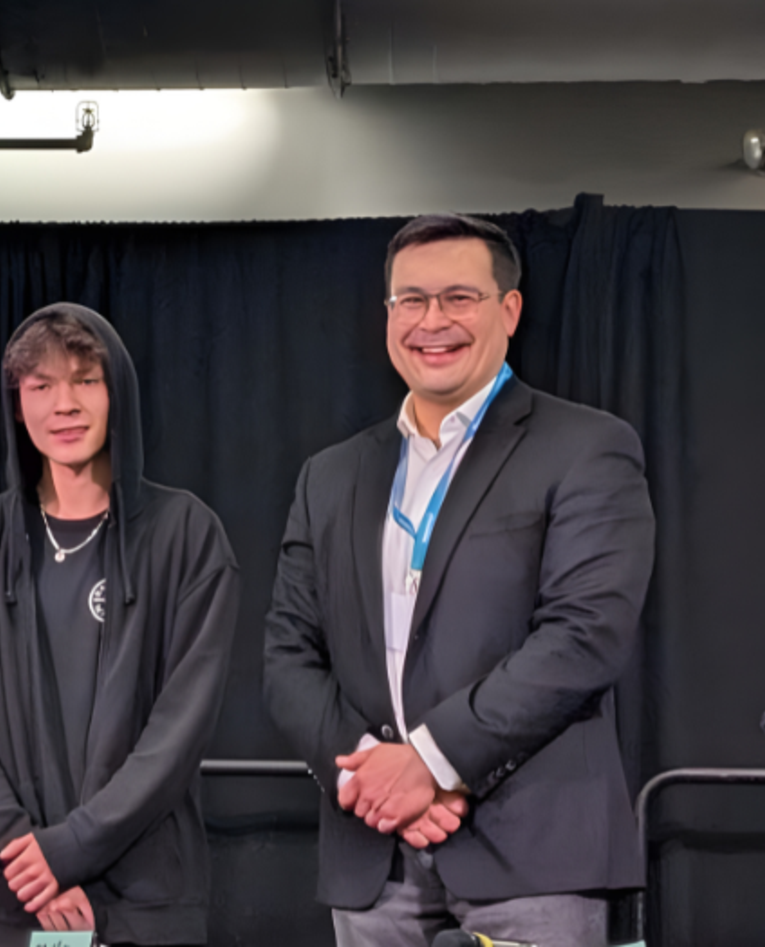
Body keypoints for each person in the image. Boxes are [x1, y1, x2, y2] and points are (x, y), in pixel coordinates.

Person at [263, 214, 655, 947]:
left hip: (533, 853)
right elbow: (288, 657)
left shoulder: (587, 447)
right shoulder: (331, 475)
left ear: (509, 310)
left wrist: (432, 763)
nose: (431, 321)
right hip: (372, 854)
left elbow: (583, 637)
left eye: (457, 298)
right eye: (410, 300)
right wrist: (372, 779)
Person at [0, 304, 239, 947]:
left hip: (141, 903)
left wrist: (75, 847)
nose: (65, 403)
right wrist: (29, 855)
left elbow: (179, 729)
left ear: (119, 392)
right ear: (16, 403)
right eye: (41, 385)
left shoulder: (187, 536)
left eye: (86, 379)